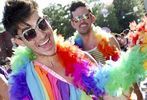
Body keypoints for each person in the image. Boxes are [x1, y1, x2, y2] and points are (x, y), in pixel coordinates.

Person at [3, 0, 146, 100]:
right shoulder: (25, 84)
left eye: (42, 24)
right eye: (29, 33)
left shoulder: (82, 58)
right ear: (19, 41)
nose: (42, 34)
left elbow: (107, 96)